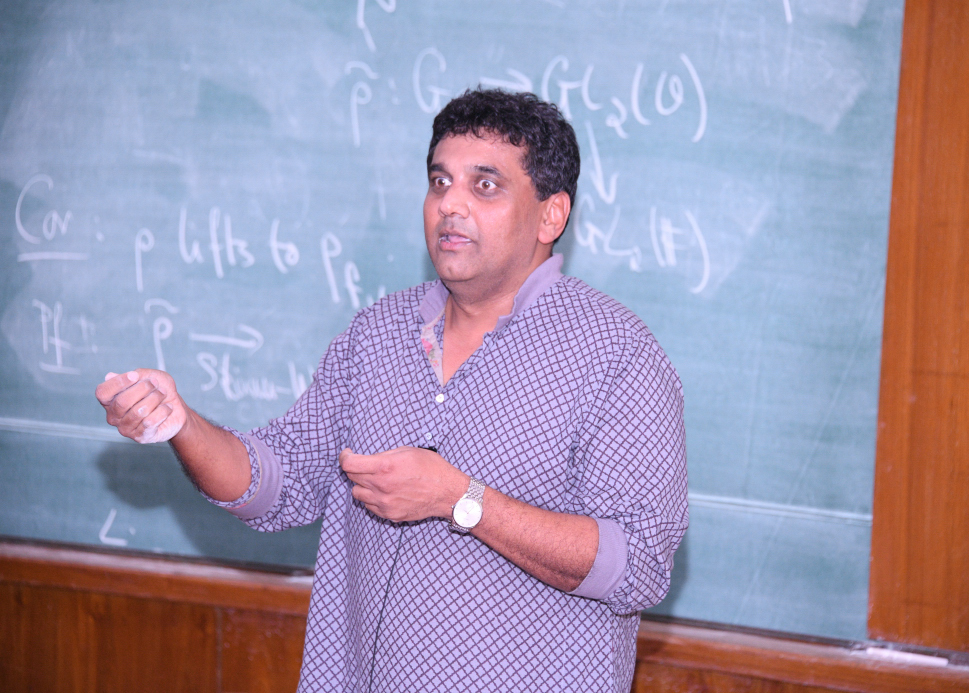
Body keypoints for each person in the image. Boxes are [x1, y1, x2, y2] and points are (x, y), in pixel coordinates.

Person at [96, 88, 688, 693]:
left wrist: (461, 500)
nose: (450, 204)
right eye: (439, 182)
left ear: (550, 216)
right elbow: (277, 484)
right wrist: (181, 425)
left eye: (485, 185)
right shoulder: (377, 333)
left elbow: (639, 564)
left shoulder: (616, 355)